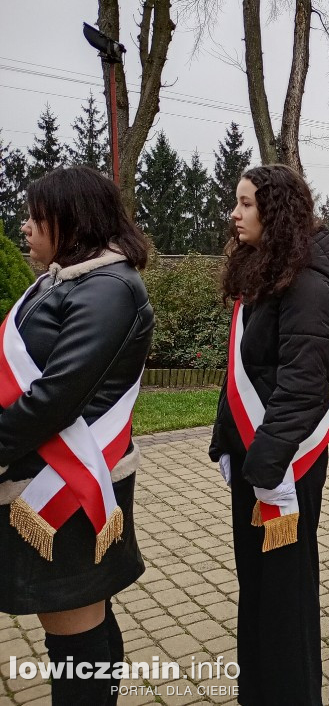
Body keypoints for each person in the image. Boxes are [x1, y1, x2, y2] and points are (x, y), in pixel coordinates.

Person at [0, 166, 153, 705]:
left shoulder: (109, 289)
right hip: (48, 475)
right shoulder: (69, 278)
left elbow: (57, 396)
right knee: (79, 624)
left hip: (66, 486)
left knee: (75, 631)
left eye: (35, 216)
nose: (25, 227)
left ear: (70, 219)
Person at [209, 164, 329, 705]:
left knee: (286, 590)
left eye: (245, 205)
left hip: (287, 464)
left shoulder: (307, 283)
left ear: (276, 212)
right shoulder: (263, 270)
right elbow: (239, 369)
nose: (234, 214)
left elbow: (301, 386)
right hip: (257, 456)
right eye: (237, 202)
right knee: (257, 582)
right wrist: (227, 440)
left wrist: (265, 465)